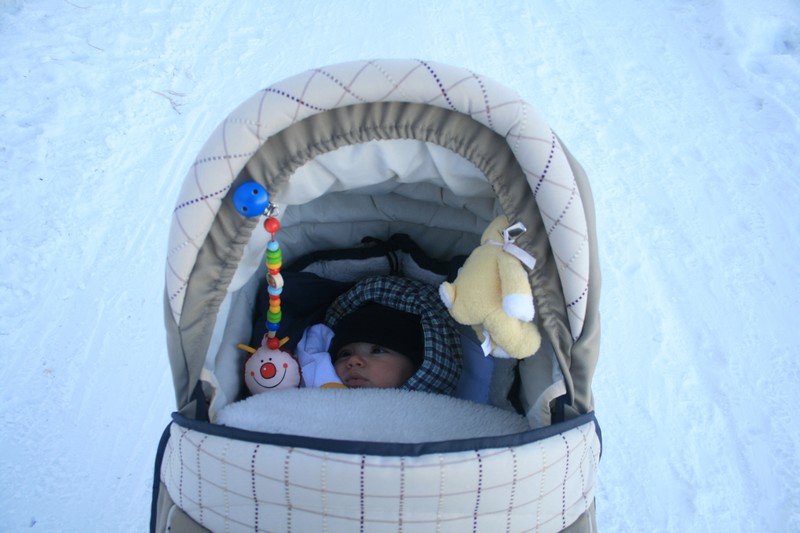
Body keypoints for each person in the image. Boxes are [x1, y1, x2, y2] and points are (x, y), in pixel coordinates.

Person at [296, 275, 463, 394]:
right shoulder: (316, 397)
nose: (353, 360)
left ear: (417, 366)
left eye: (377, 350)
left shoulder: (436, 411)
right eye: (344, 354)